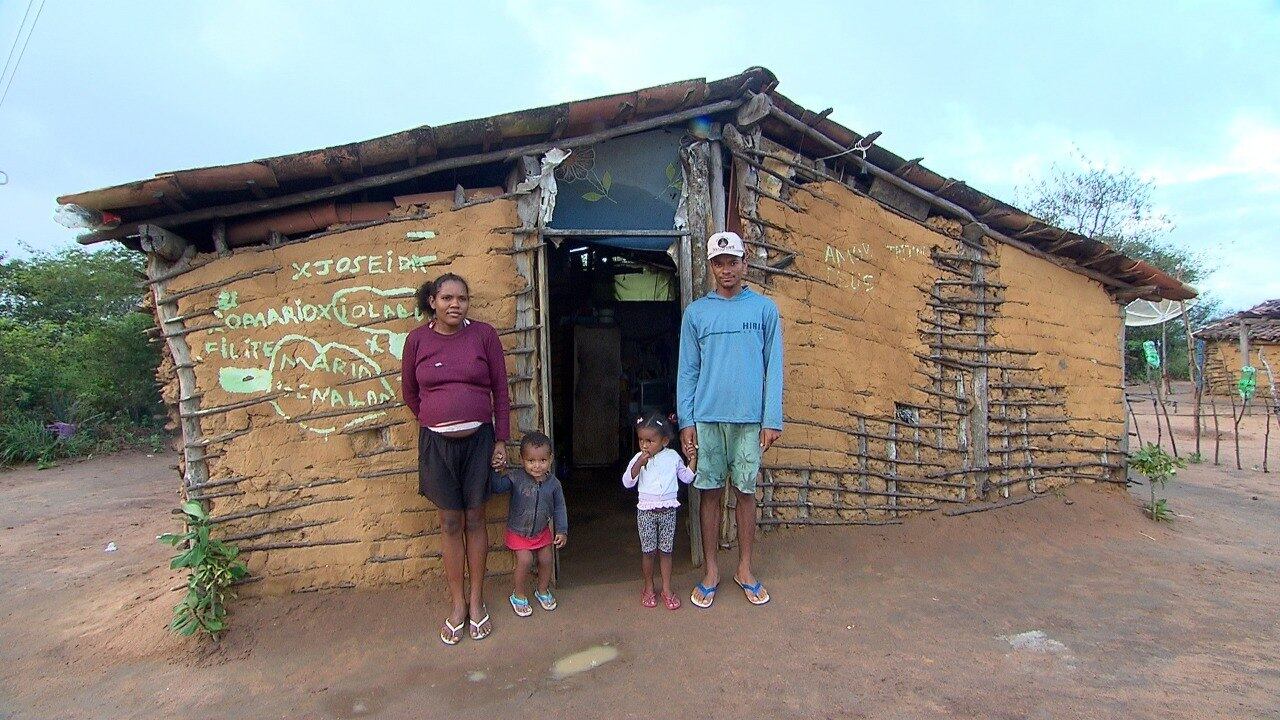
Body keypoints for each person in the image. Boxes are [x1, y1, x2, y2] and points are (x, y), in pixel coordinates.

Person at [401, 273, 510, 645]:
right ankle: (458, 603)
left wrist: (500, 439)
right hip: (436, 444)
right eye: (447, 298)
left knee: (476, 517)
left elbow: (500, 390)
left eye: (462, 298)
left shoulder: (484, 335)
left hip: (479, 441)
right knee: (450, 521)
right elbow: (409, 392)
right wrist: (434, 417)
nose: (455, 304)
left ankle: (477, 601)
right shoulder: (417, 340)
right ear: (432, 301)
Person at [677, 230, 783, 608]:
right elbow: (688, 371)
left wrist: (771, 419)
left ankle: (744, 568)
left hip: (749, 420)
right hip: (707, 419)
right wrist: (686, 421)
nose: (726, 270)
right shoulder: (696, 313)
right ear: (710, 266)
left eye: (732, 262)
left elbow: (774, 367)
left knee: (746, 493)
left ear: (744, 263)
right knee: (708, 494)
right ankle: (711, 570)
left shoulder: (764, 310)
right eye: (719, 263)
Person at [622, 412, 696, 610]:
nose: (645, 445)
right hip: (646, 513)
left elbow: (687, 478)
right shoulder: (638, 458)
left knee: (666, 552)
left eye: (650, 441)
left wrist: (693, 459)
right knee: (648, 552)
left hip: (668, 512)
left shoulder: (672, 457)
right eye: (641, 440)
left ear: (664, 441)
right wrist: (639, 464)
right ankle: (648, 587)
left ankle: (666, 589)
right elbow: (627, 482)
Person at [489, 432, 568, 618]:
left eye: (542, 460)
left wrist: (562, 530)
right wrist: (496, 470)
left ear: (551, 459)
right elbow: (497, 487)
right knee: (525, 561)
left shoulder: (554, 484)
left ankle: (542, 590)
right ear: (522, 459)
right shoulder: (516, 478)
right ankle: (518, 595)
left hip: (541, 532)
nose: (537, 466)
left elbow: (560, 507)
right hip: (518, 532)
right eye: (531, 461)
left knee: (546, 559)